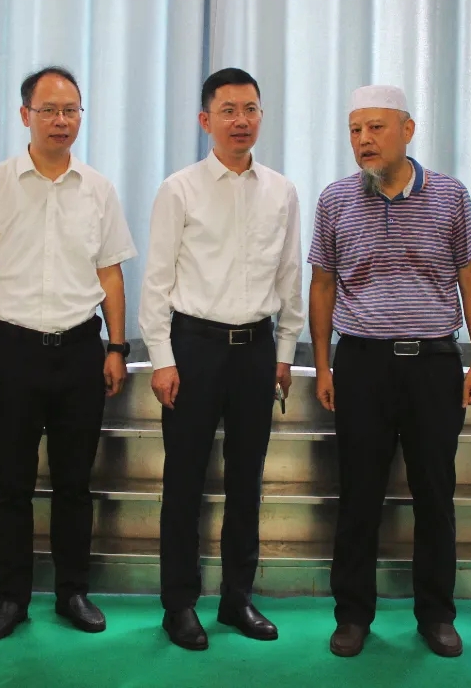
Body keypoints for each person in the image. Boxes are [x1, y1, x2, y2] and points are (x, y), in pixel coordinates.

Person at [307, 85, 471, 659]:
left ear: (407, 130)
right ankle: (352, 615)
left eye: (376, 127)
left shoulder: (450, 195)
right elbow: (322, 285)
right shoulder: (335, 199)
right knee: (358, 495)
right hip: (360, 363)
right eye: (355, 130)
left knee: (435, 493)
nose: (364, 140)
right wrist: (322, 364)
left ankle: (436, 615)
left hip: (433, 365)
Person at [0, 66, 137, 640]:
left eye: (71, 110)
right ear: (25, 115)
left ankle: (72, 592)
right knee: (12, 486)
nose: (61, 121)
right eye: (49, 110)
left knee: (74, 484)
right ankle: (11, 598)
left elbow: (111, 274)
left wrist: (116, 347)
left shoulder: (98, 189)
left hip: (81, 352)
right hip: (11, 352)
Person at [139, 67, 305, 651]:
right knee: (184, 480)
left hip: (256, 351)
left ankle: (237, 598)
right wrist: (162, 359)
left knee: (246, 480)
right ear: (205, 120)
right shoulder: (179, 188)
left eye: (250, 109)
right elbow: (156, 281)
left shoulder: (281, 190)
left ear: (261, 116)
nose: (241, 120)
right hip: (194, 349)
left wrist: (284, 352)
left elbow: (289, 276)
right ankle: (179, 604)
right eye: (228, 110)